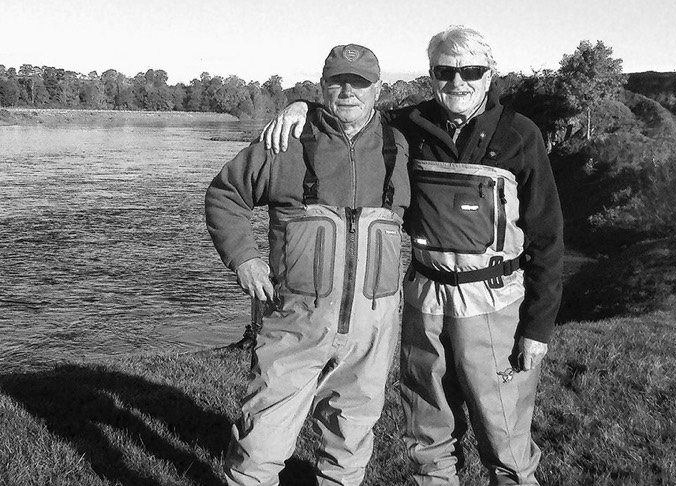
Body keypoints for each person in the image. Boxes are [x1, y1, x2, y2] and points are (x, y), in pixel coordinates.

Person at [263, 26, 564, 486]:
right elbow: (352, 112)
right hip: (424, 298)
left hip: (495, 301)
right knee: (428, 424)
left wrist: (538, 327)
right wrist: (303, 106)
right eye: (446, 71)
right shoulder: (407, 127)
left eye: (471, 71)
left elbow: (547, 237)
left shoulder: (521, 135)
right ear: (431, 75)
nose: (458, 82)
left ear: (489, 76)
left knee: (503, 428)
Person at [205, 43, 410, 486]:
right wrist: (244, 258)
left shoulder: (400, 146)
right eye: (337, 81)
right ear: (322, 86)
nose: (348, 92)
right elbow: (226, 195)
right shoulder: (286, 142)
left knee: (350, 441)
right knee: (261, 442)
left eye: (359, 83)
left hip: (371, 330)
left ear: (378, 89)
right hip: (295, 321)